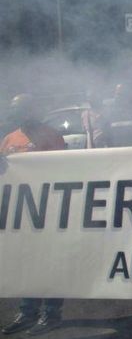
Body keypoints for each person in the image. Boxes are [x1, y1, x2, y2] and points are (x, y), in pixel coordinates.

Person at [0, 94, 67, 336]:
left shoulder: (51, 136)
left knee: (51, 264)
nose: (18, 111)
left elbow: (65, 169)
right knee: (27, 264)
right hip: (21, 212)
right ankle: (27, 312)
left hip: (49, 210)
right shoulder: (9, 138)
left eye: (23, 107)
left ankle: (51, 313)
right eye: (15, 107)